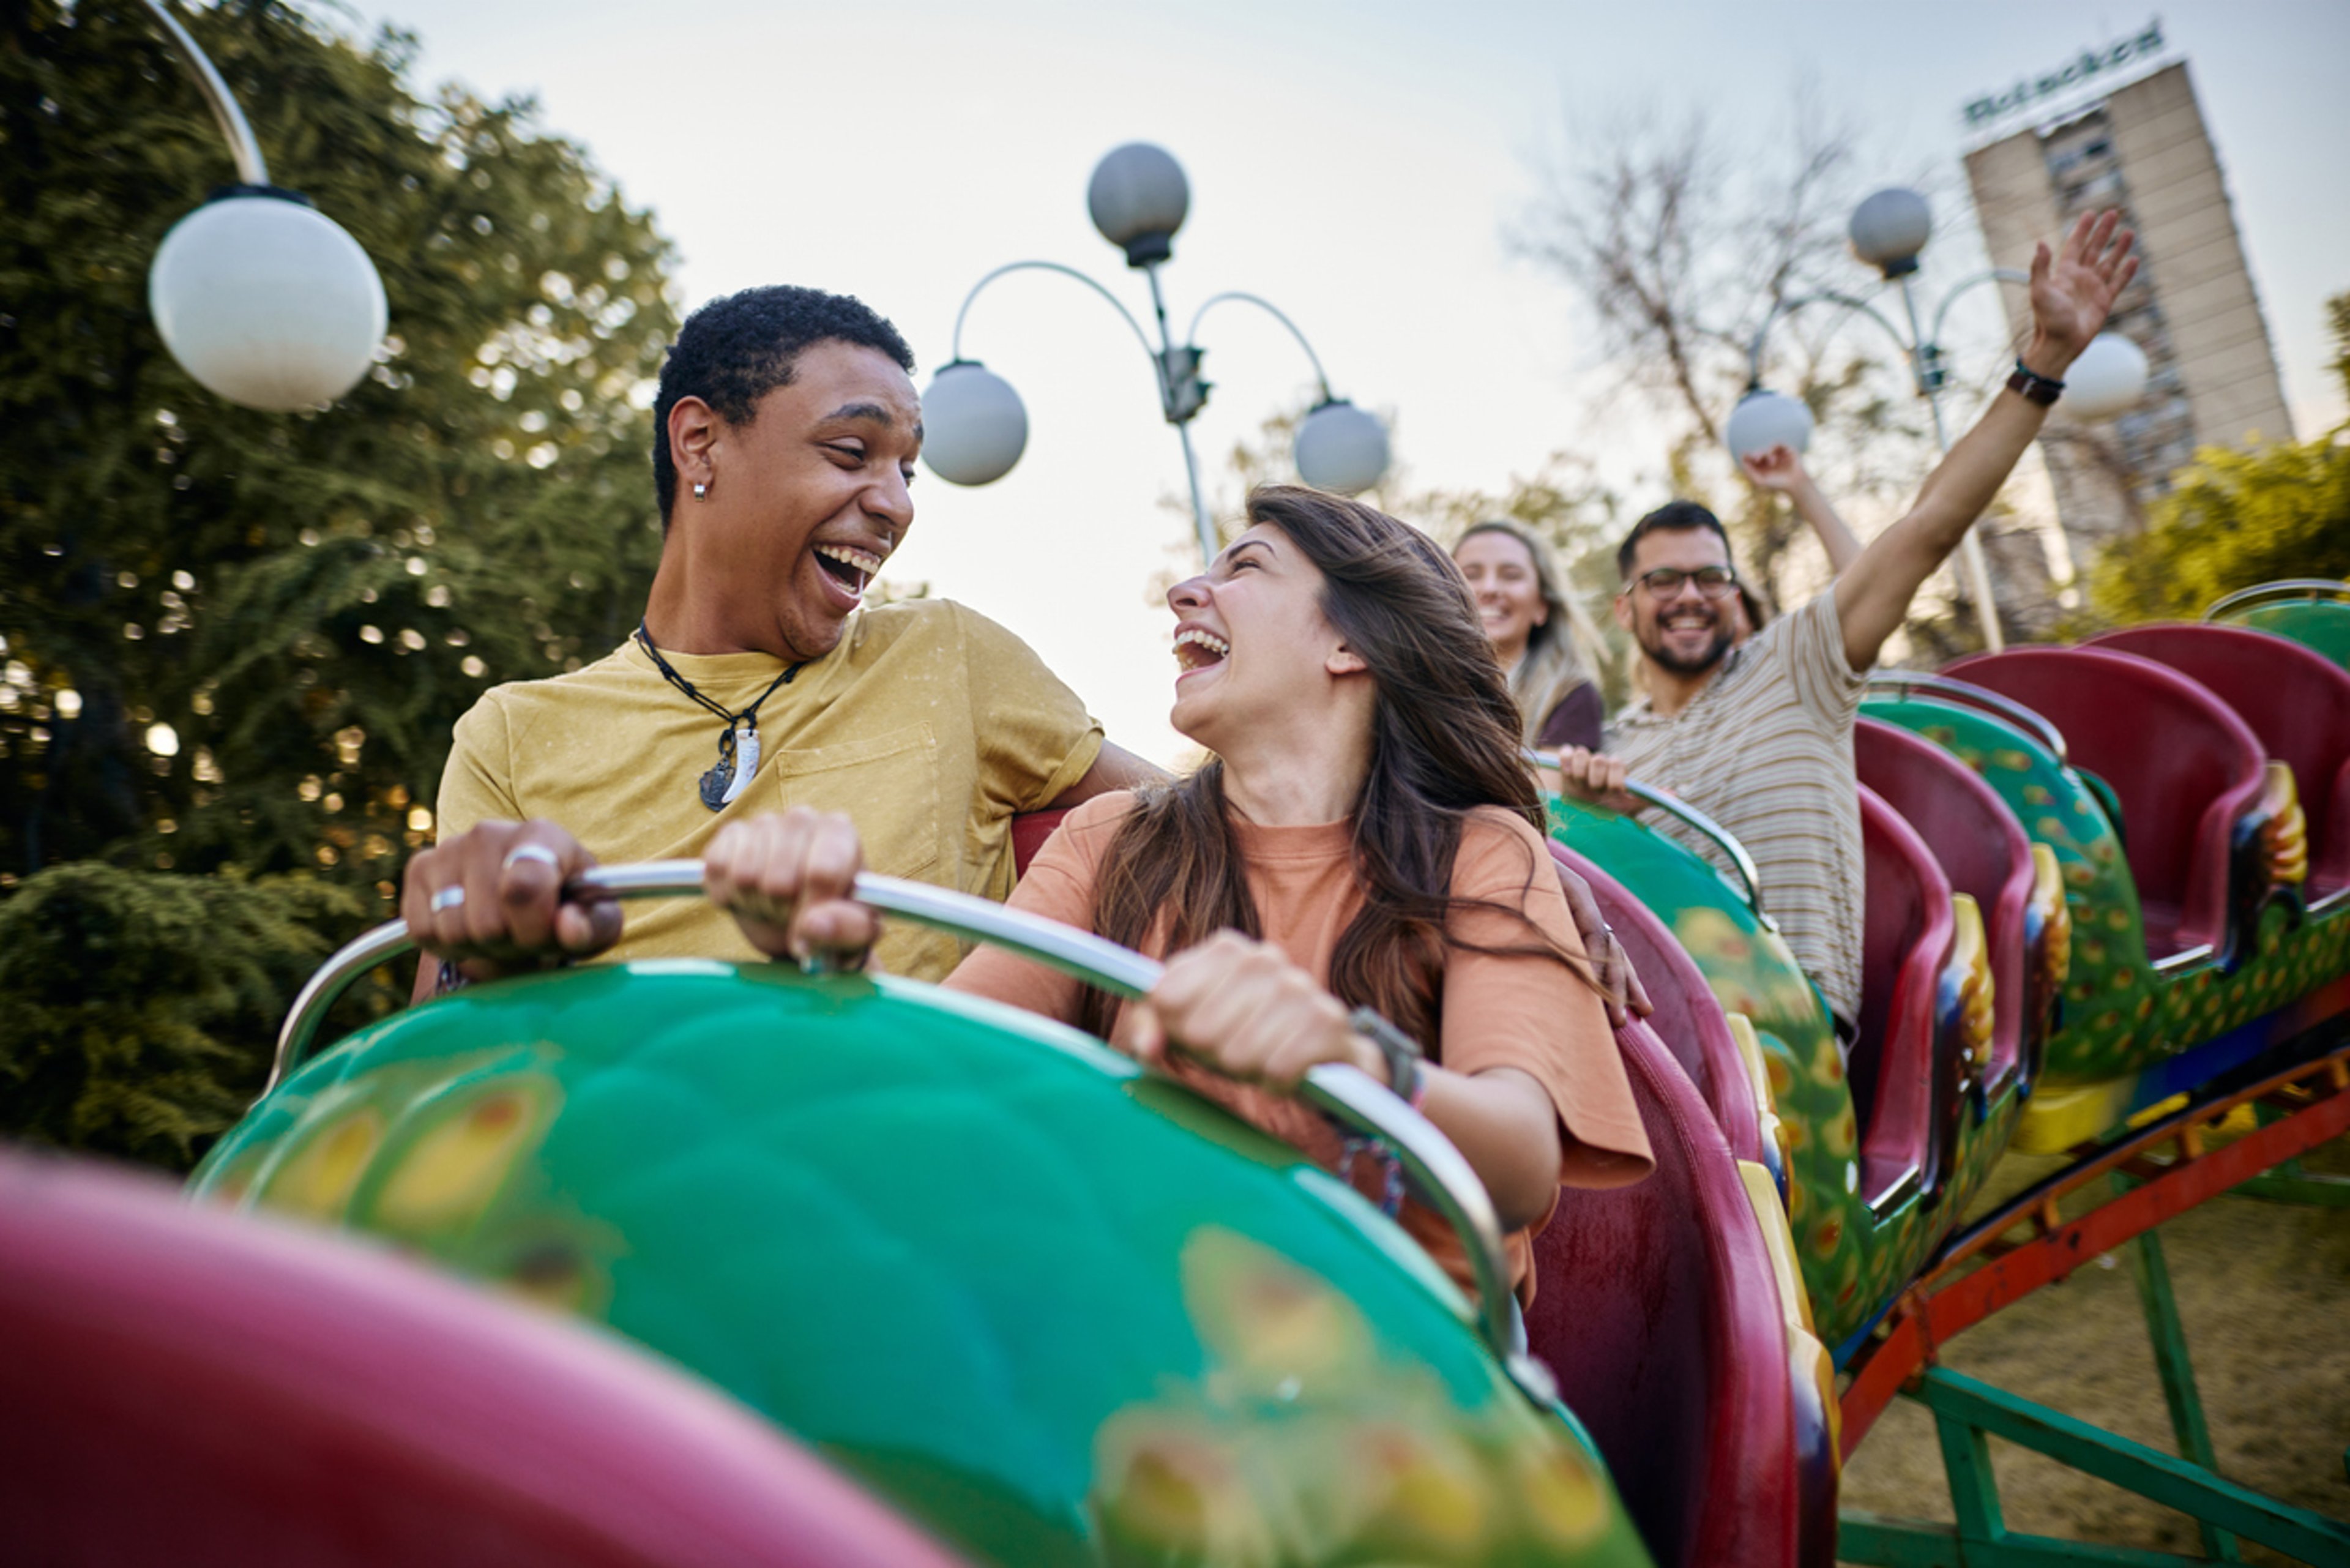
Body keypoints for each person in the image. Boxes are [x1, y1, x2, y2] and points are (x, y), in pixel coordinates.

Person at [703, 485, 1655, 1309]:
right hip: (1138, 1321)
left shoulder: (1482, 855)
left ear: (1351, 643)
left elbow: (1524, 1164)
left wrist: (1354, 1061)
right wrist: (831, 963)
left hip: (1393, 1352)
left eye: (1247, 567)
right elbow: (954, 1066)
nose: (1185, 590)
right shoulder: (1114, 838)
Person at [397, 285, 1157, 993]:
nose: (897, 504)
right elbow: (443, 1057)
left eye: (909, 472)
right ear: (699, 443)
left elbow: (1209, 832)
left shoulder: (950, 658)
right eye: (852, 453)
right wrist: (484, 949)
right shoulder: (511, 735)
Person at [1557, 209, 2138, 1034]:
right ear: (1625, 606)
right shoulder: (1612, 748)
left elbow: (1928, 526)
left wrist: (2041, 365)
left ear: (1735, 592)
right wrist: (1599, 820)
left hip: (1786, 1027)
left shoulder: (1799, 666)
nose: (1690, 593)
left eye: (1711, 575)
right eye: (1664, 579)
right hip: (1663, 1020)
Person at [1452, 520, 1609, 750]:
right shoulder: (1413, 685)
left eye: (1511, 575)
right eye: (1471, 575)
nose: (1490, 588)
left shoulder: (1571, 695)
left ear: (1542, 606)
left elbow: (1547, 786)